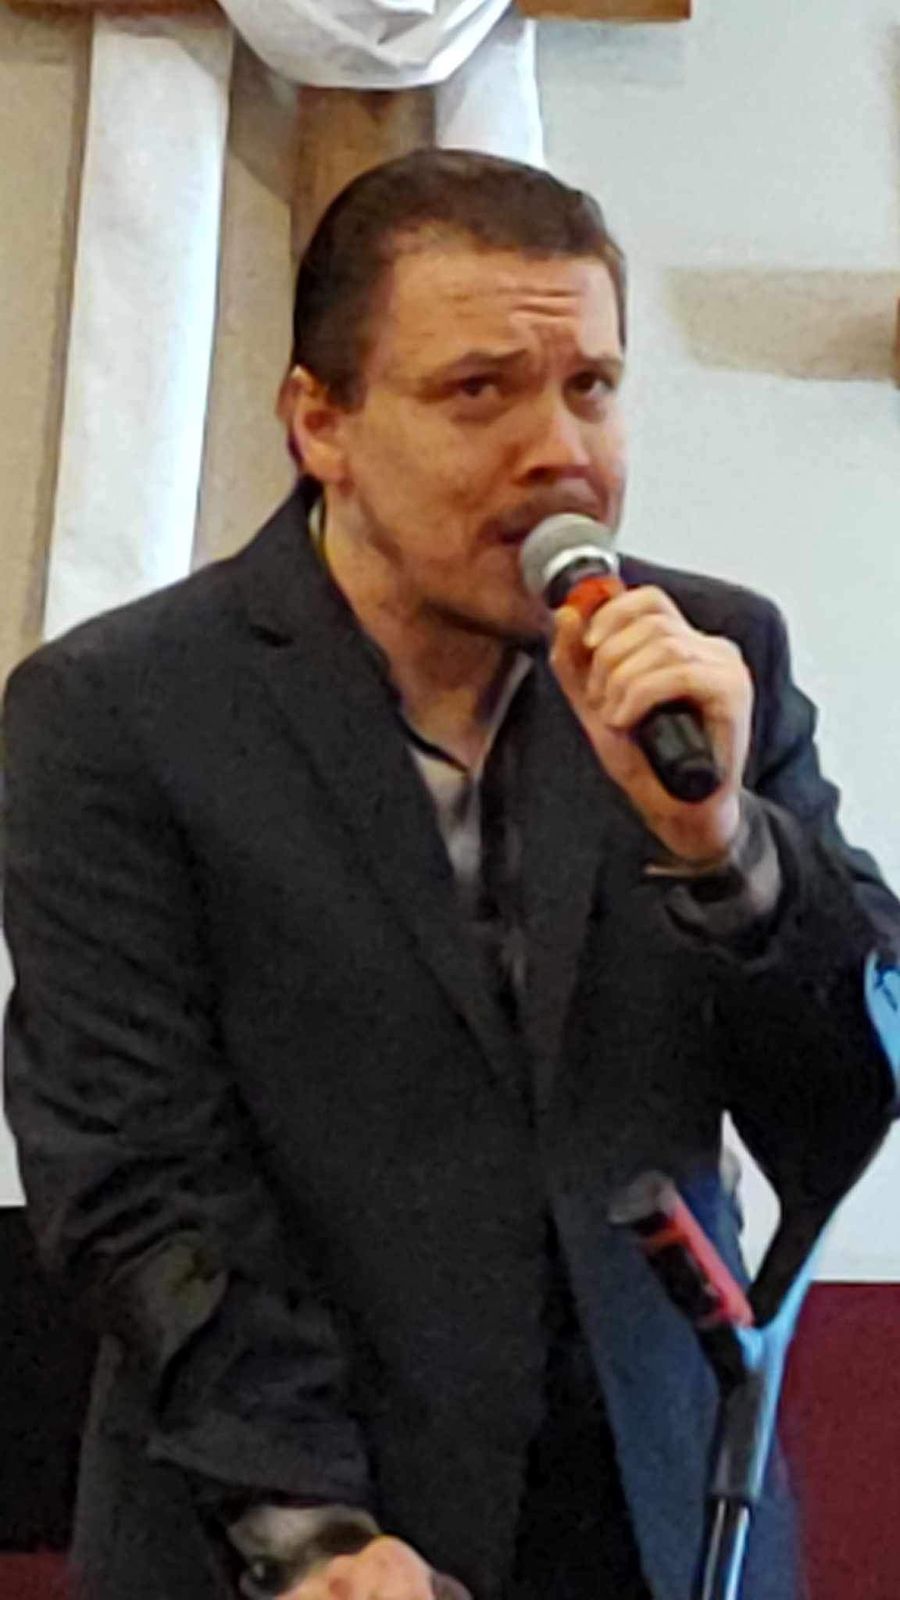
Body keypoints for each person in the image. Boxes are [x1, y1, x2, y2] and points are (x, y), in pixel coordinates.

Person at [3, 151, 899, 1600]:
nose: (559, 450)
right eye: (480, 391)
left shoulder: (709, 664)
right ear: (322, 423)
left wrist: (721, 845)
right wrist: (310, 1530)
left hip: (666, 1528)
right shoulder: (121, 716)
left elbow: (848, 1095)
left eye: (593, 387)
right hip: (291, 1528)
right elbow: (136, 1178)